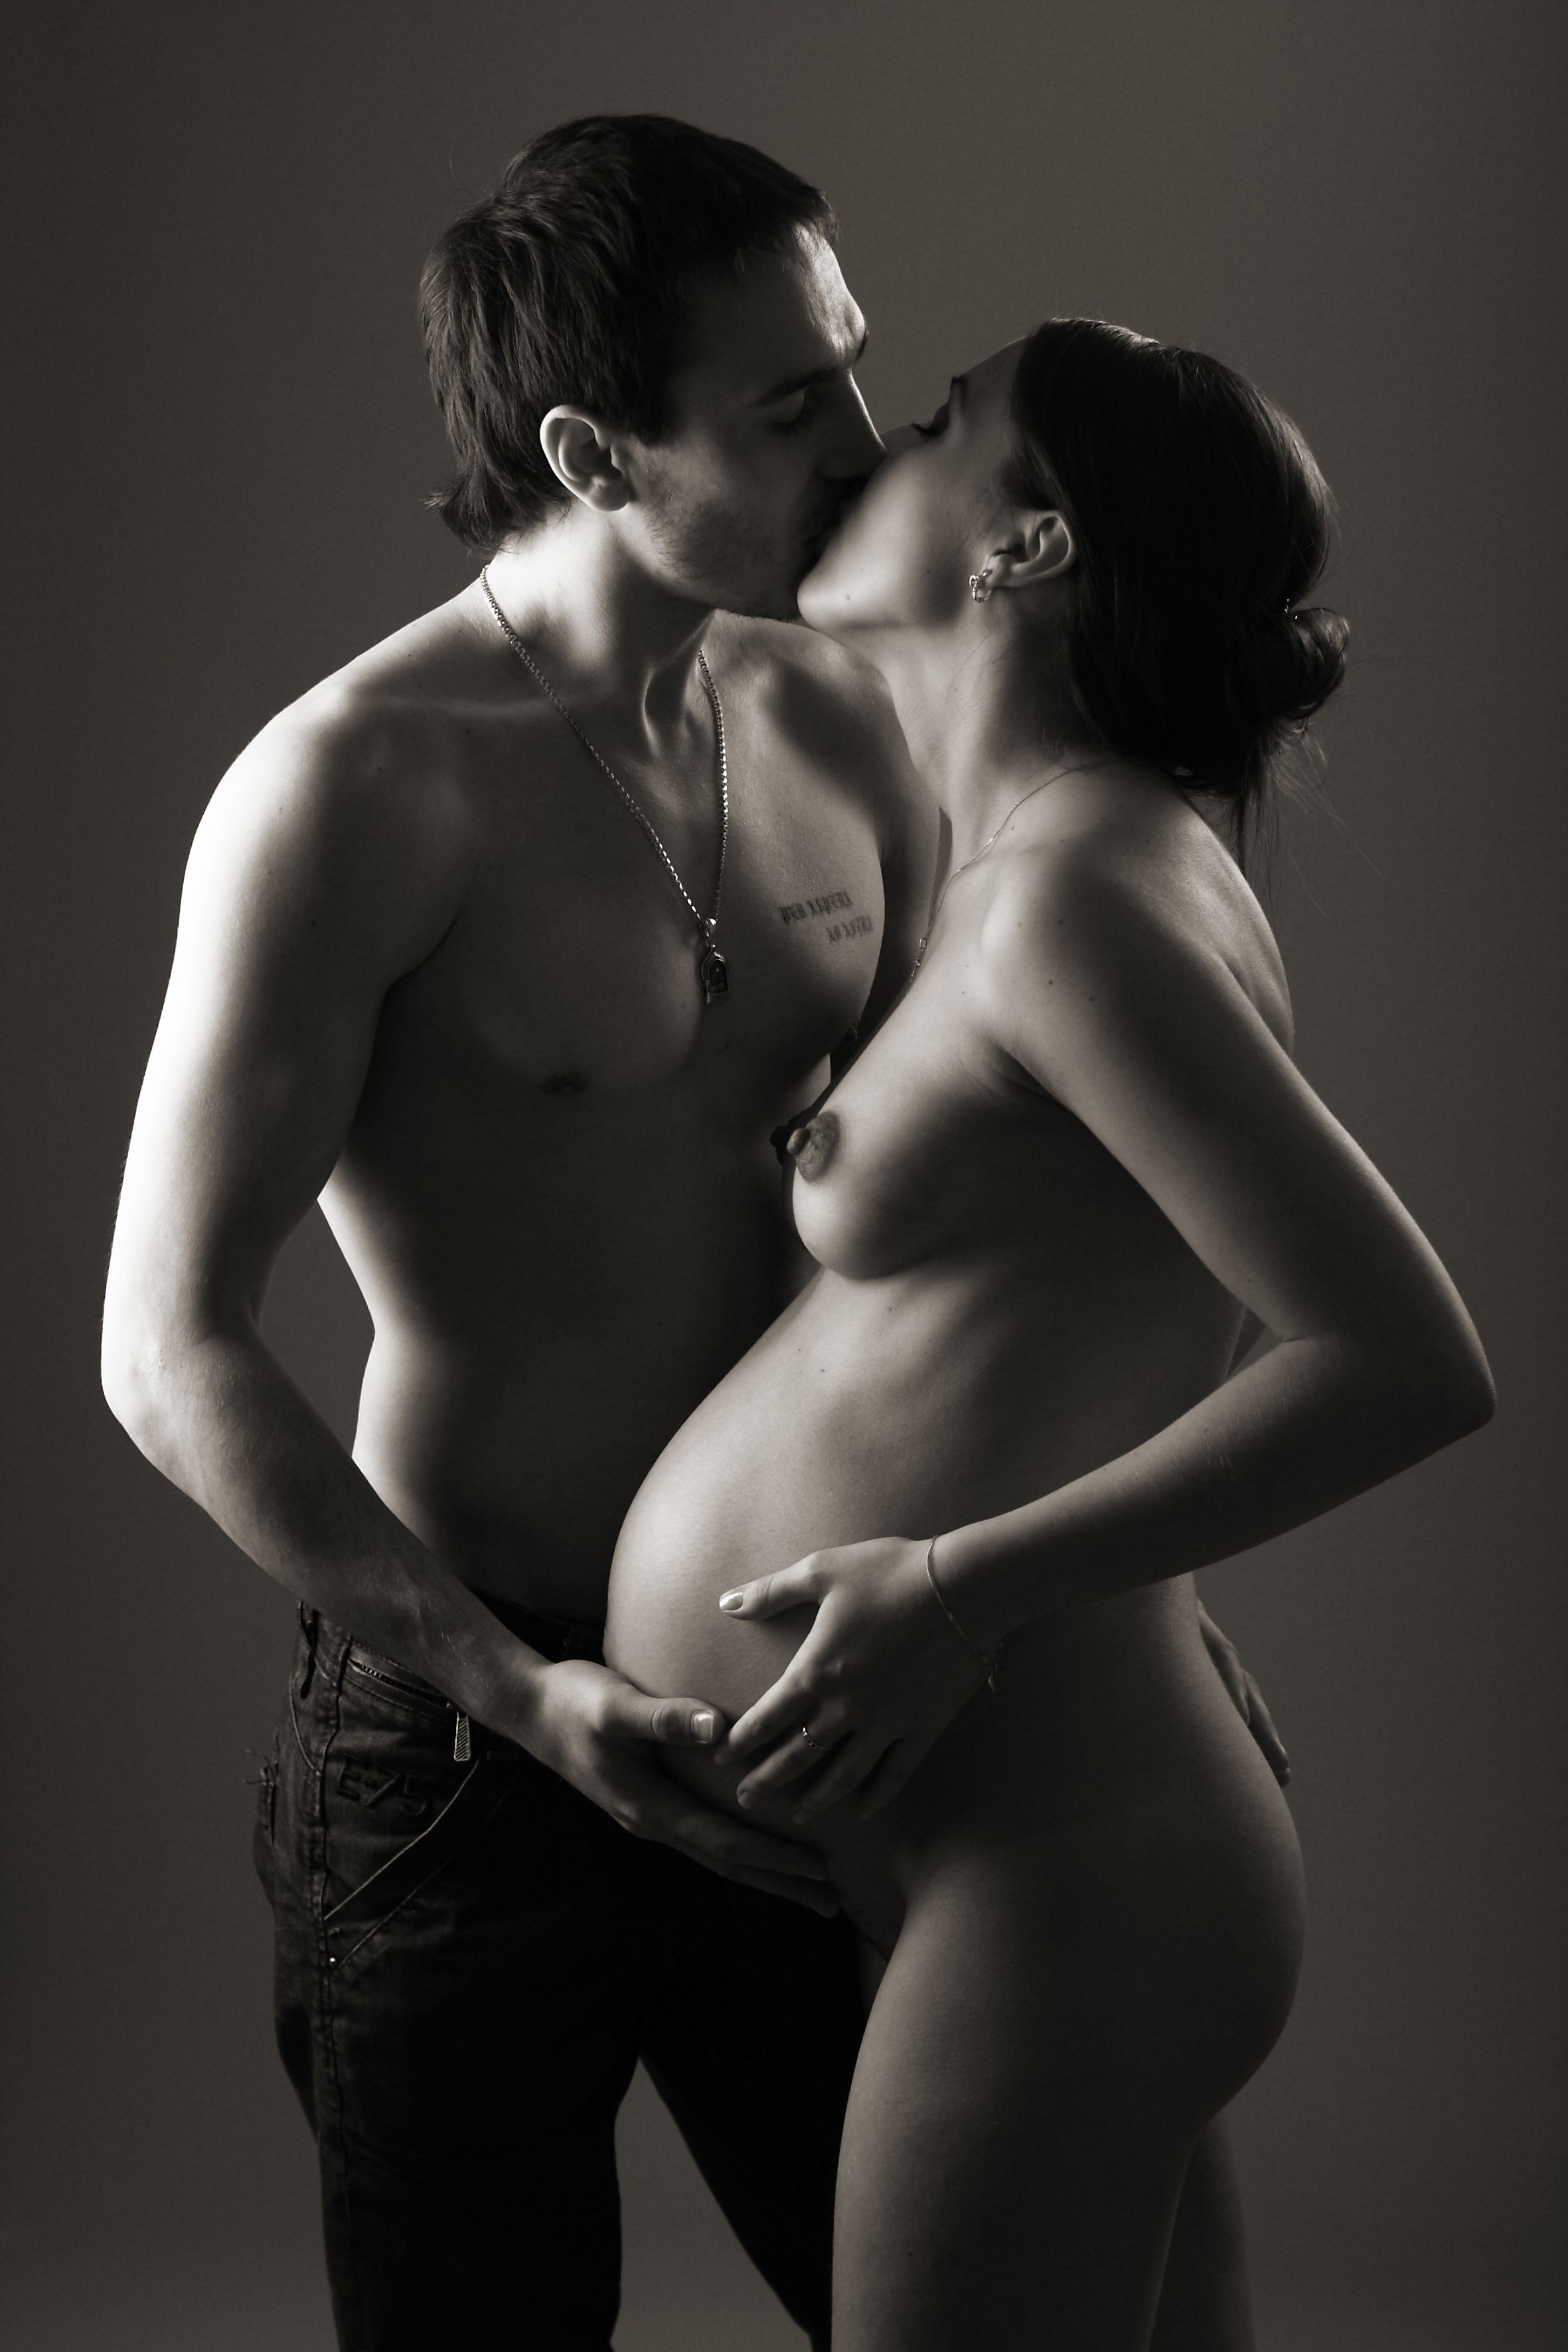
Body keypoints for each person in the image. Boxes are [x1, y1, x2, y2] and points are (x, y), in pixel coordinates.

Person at [100, 118, 1283, 2351]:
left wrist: (1121, 1608)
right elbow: (165, 1349)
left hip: (805, 1725)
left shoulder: (843, 713)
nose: (863, 442)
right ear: (590, 452)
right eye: (787, 405)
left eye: (857, 368)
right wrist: (518, 1691)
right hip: (468, 1748)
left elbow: (1006, 1222)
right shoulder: (358, 786)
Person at [602, 318, 1496, 2351]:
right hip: (1012, 1836)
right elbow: (1102, 1305)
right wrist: (1098, 1573)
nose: (868, 448)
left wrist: (956, 1585)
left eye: (935, 423)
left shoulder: (1078, 894)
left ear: (1024, 545)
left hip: (1069, 1868)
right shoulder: (1041, 868)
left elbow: (1399, 1357)